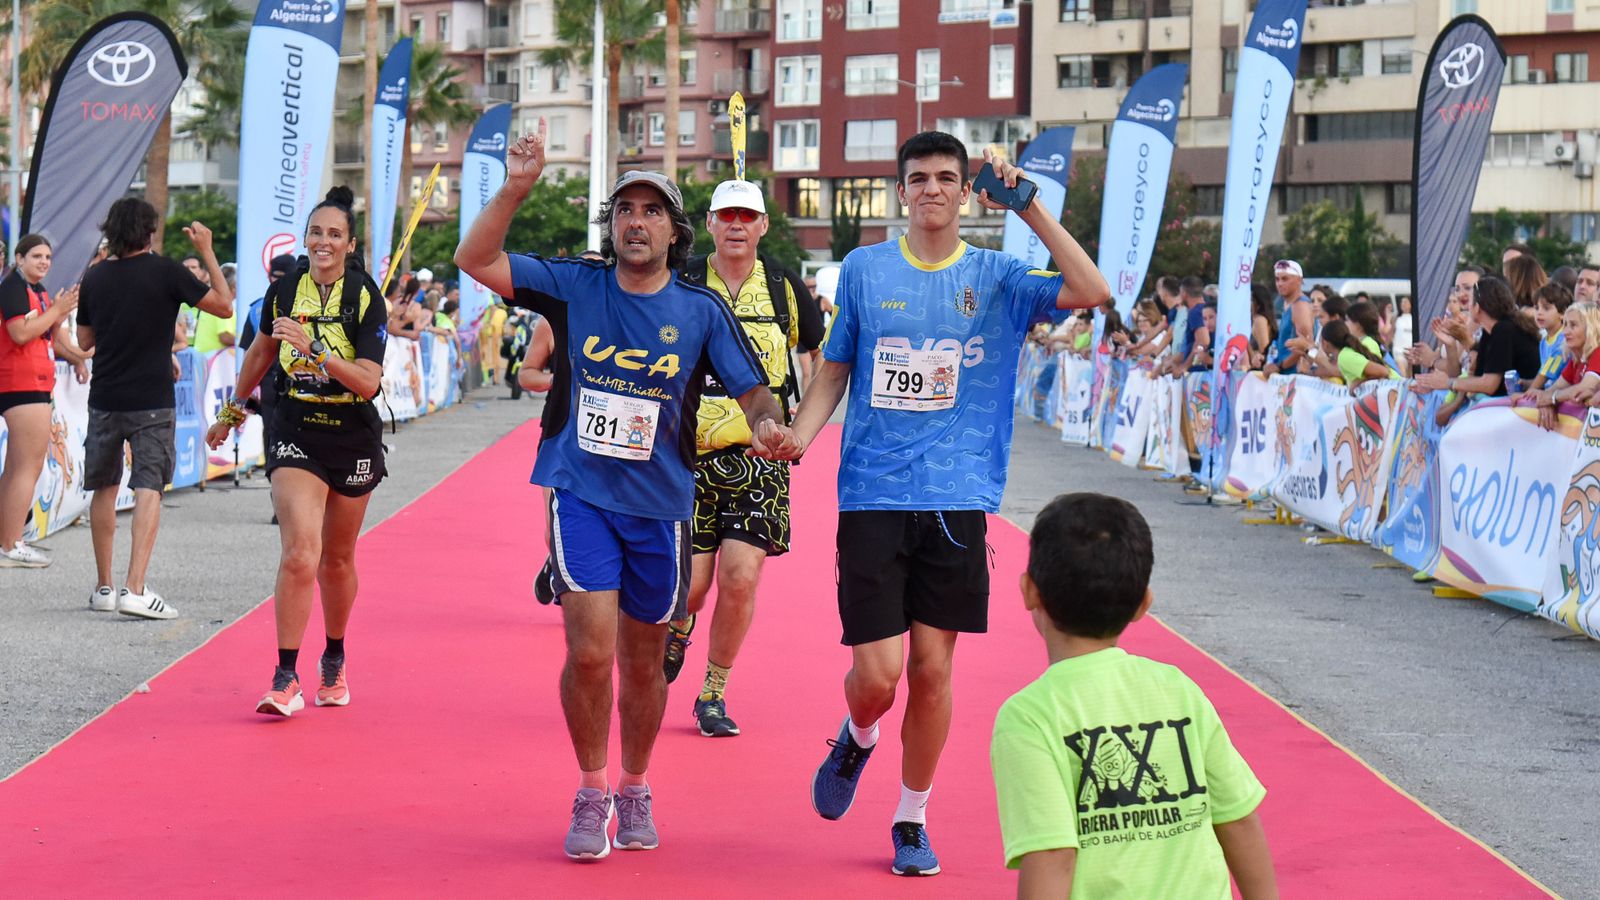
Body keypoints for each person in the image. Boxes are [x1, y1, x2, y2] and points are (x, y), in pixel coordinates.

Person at [772, 132, 1109, 877]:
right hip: (871, 494)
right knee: (879, 679)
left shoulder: (998, 275)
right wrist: (799, 437)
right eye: (918, 177)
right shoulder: (865, 269)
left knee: (931, 673)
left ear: (965, 193)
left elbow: (1091, 289)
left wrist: (1029, 207)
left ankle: (911, 819)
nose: (931, 188)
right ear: (902, 191)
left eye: (946, 178)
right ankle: (857, 736)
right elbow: (833, 371)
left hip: (958, 500)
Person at [454, 121, 792, 861]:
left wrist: (768, 426)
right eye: (623, 211)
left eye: (651, 212)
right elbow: (473, 257)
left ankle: (635, 785)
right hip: (580, 493)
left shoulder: (702, 311)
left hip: (663, 509)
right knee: (588, 654)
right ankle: (590, 786)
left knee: (643, 662)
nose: (634, 222)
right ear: (612, 228)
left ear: (675, 231)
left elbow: (755, 392)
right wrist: (516, 187)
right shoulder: (578, 285)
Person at [991, 492, 1275, 899]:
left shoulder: (1030, 716)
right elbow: (1238, 818)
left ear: (1029, 591)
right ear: (1144, 604)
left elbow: (1053, 854)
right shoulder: (1178, 689)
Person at [206, 186, 388, 717]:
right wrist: (232, 411)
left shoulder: (364, 296)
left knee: (336, 559)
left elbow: (369, 384)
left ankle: (333, 657)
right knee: (300, 554)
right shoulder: (286, 290)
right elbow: (262, 351)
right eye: (316, 233)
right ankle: (285, 676)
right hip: (296, 428)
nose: (324, 242)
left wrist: (315, 350)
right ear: (305, 238)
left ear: (350, 244)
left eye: (335, 235)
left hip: (352, 433)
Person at [658, 178, 824, 738]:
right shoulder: (680, 283)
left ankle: (712, 692)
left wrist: (799, 430)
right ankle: (679, 628)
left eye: (746, 216)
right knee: (694, 586)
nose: (735, 225)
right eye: (725, 215)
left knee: (740, 576)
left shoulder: (784, 288)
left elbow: (817, 360)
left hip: (759, 459)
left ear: (762, 226)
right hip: (686, 458)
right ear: (708, 224)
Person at [77, 200, 232, 617]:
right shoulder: (165, 271)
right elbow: (224, 305)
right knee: (148, 487)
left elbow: (85, 340)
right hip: (151, 399)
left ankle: (105, 586)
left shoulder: (95, 276)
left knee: (104, 488)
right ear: (148, 232)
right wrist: (207, 250)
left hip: (106, 398)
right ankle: (135, 588)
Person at [0, 235, 91, 567]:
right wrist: (57, 310)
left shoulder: (37, 290)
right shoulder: (12, 286)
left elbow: (49, 336)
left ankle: (7, 540)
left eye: (48, 257)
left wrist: (79, 357)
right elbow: (20, 333)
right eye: (36, 255)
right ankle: (11, 543)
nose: (44, 262)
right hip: (19, 382)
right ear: (19, 258)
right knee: (27, 465)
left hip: (34, 381)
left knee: (18, 467)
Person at [1412, 276, 1540, 401]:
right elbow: (1476, 379)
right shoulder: (1491, 331)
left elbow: (1489, 385)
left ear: (1477, 307)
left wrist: (1448, 383)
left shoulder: (1503, 330)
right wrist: (1434, 385)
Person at [1522, 301, 1600, 430]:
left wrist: (1552, 398)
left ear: (1591, 328)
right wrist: (1547, 403)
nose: (1565, 332)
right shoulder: (1576, 360)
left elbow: (1581, 391)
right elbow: (1553, 389)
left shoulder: (1598, 353)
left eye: (1573, 325)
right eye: (1565, 325)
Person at [1263, 260, 1313, 376]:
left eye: (1285, 279)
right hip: (1287, 375)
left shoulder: (1300, 306)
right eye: (1277, 279)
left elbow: (1305, 346)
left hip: (1296, 377)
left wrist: (1279, 366)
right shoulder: (1289, 305)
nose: (1279, 283)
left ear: (1299, 280)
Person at [240, 254, 298, 350]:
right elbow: (248, 350)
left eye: (285, 277)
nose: (280, 282)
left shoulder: (308, 305)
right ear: (269, 276)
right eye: (277, 277)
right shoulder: (256, 309)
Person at [1527, 281, 1574, 396]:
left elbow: (1545, 375)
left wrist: (1527, 394)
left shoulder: (1564, 340)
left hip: (1561, 396)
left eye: (1546, 308)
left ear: (1563, 313)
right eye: (1537, 308)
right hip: (1549, 392)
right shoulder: (1544, 341)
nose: (1539, 313)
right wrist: (1527, 383)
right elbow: (1543, 374)